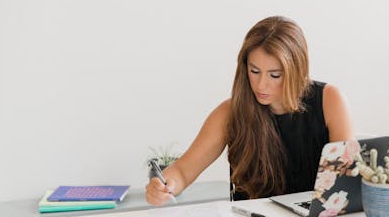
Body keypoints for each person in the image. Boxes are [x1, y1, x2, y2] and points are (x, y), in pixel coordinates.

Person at [146, 15, 354, 205]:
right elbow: (182, 172)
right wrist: (164, 186)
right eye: (254, 71)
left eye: (275, 75)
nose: (261, 85)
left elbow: (346, 182)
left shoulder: (330, 100)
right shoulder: (229, 113)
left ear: (297, 70)